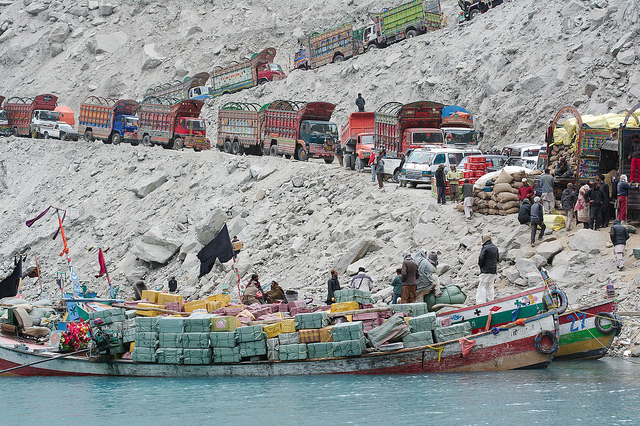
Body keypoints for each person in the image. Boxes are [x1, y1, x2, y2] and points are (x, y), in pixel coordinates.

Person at [477, 233, 498, 304]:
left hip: (485, 270)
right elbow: (497, 258)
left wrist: (481, 265)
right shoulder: (495, 247)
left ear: (484, 240)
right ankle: (491, 300)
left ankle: (481, 301)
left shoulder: (485, 247)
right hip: (493, 270)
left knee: (482, 285)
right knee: (490, 285)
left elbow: (481, 258)